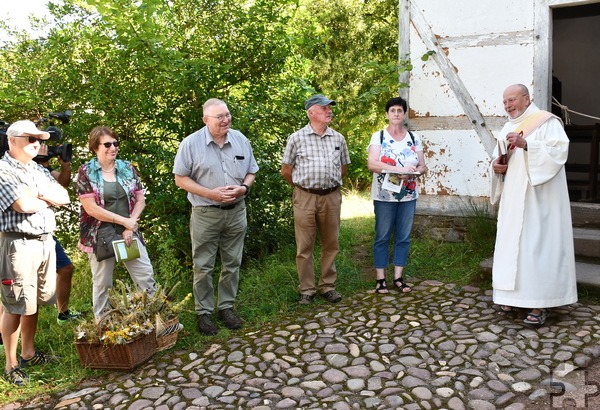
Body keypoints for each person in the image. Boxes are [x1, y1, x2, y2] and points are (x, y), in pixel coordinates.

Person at [490, 84, 577, 325]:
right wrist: (496, 167)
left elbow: (559, 152)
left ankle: (540, 305)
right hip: (513, 198)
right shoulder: (507, 127)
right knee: (512, 247)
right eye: (505, 101)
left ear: (526, 99)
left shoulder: (547, 122)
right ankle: (510, 296)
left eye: (512, 100)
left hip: (541, 201)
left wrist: (527, 144)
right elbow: (498, 159)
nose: (508, 105)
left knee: (537, 248)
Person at [173, 98, 258, 336]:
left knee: (232, 263)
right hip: (205, 213)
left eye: (227, 115)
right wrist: (210, 193)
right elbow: (180, 179)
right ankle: (204, 313)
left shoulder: (240, 139)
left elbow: (252, 171)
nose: (225, 120)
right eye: (219, 117)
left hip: (236, 212)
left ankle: (227, 307)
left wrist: (244, 188)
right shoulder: (191, 144)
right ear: (205, 120)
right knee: (203, 266)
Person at [0, 120, 70, 385]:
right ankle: (11, 364)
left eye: (39, 140)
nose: (37, 144)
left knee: (34, 302)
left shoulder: (37, 169)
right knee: (15, 304)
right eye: (30, 139)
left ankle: (28, 353)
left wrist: (37, 194)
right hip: (18, 244)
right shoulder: (2, 170)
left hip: (44, 241)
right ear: (12, 140)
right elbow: (22, 205)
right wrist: (44, 196)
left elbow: (63, 196)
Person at [75, 126, 157, 320]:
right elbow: (91, 208)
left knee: (145, 277)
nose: (113, 147)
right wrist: (124, 221)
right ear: (95, 147)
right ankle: (102, 327)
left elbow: (140, 200)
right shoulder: (86, 172)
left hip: (128, 233)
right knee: (103, 283)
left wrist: (130, 225)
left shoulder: (127, 168)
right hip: (100, 236)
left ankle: (158, 321)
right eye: (107, 144)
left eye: (116, 143)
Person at [281, 94, 351, 305]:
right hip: (305, 197)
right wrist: (303, 188)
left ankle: (328, 286)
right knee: (305, 246)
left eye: (330, 108)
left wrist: (328, 184)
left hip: (331, 197)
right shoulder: (296, 138)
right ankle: (307, 289)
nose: (329, 111)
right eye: (324, 108)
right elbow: (286, 170)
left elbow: (344, 167)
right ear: (311, 112)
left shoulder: (338, 138)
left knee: (331, 243)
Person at [366, 97, 428, 294]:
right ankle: (380, 279)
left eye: (399, 111)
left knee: (403, 237)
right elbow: (372, 164)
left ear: (404, 114)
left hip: (408, 195)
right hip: (384, 197)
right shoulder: (379, 137)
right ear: (387, 114)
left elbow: (423, 166)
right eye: (392, 110)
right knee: (382, 236)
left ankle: (399, 278)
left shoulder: (413, 138)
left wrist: (412, 172)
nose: (396, 114)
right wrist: (396, 169)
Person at [37, 145, 80, 324]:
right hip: (22, 233)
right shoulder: (23, 168)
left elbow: (62, 184)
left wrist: (65, 166)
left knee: (66, 268)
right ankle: (2, 334)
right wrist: (41, 161)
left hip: (44, 231)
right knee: (20, 284)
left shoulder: (43, 168)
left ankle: (63, 313)